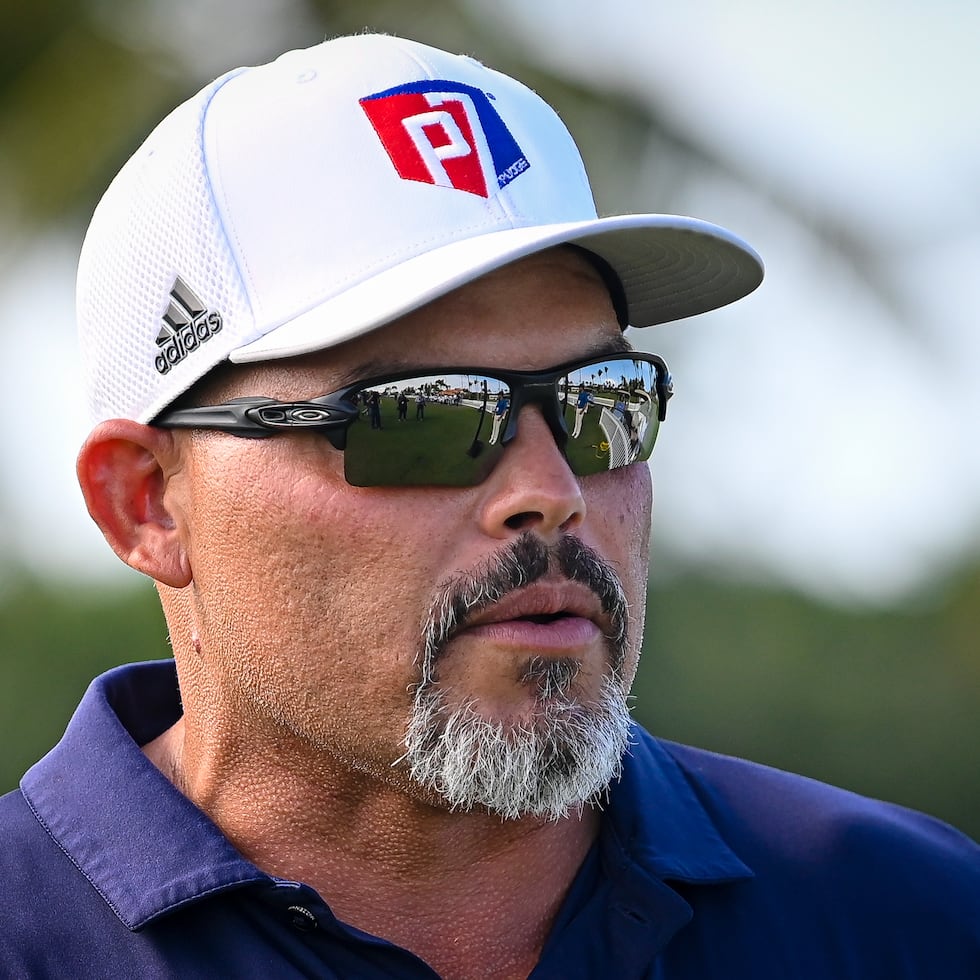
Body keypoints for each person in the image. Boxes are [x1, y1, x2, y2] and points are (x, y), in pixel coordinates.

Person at [2, 33, 977, 980]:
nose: (549, 493)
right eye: (422, 417)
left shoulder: (908, 912)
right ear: (147, 505)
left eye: (602, 403)